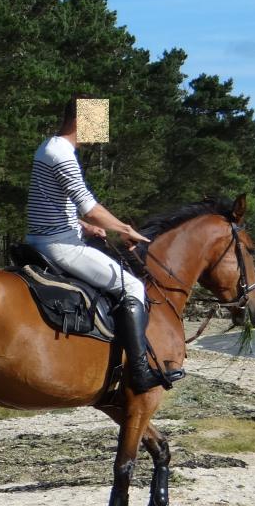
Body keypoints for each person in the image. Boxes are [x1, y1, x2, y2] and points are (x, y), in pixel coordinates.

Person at [23, 95, 178, 393]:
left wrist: (86, 227)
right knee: (133, 287)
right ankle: (140, 372)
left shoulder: (47, 147)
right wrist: (125, 229)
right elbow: (89, 206)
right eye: (96, 123)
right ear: (81, 121)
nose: (98, 134)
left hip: (47, 237)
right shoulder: (62, 154)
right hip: (60, 245)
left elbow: (54, 205)